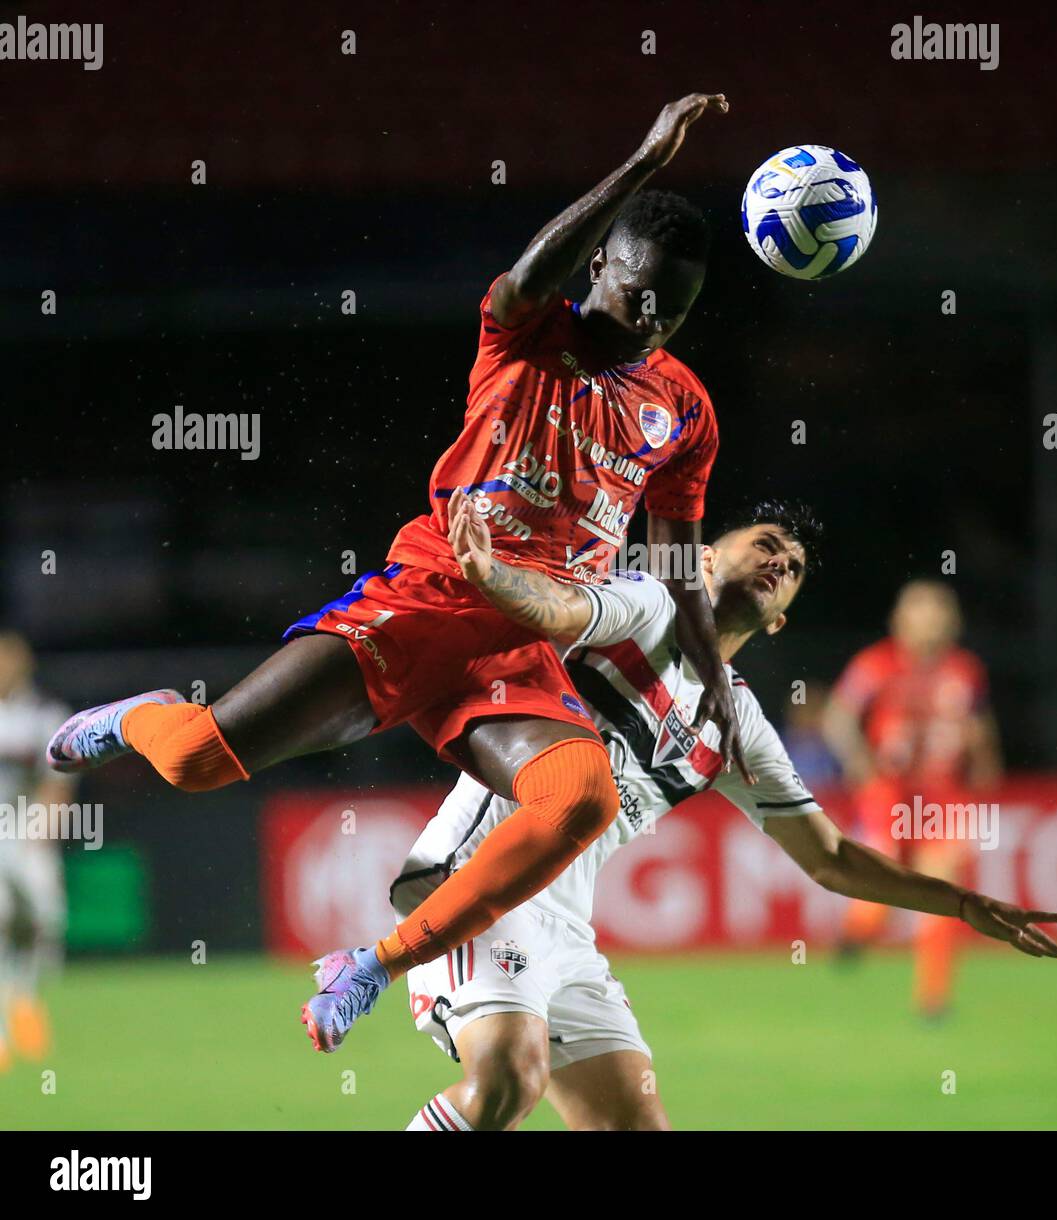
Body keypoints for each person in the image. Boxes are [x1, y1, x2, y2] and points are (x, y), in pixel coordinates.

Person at [46, 95, 746, 1051]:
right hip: (423, 603)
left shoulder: (685, 408)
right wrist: (642, 161)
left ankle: (371, 964)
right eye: (636, 297)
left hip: (520, 647)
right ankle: (138, 714)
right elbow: (532, 272)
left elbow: (672, 563)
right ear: (598, 272)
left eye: (676, 310)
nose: (651, 323)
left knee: (581, 794)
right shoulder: (526, 332)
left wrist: (710, 676)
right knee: (196, 761)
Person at [329, 497, 1057, 1129]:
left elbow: (829, 858)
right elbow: (565, 607)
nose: (781, 560)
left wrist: (961, 903)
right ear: (704, 560)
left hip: (565, 930)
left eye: (795, 567)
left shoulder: (736, 723)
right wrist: (494, 577)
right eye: (766, 544)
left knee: (633, 1122)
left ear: (779, 623)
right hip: (476, 887)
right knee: (506, 1084)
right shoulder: (645, 608)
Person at [822, 580, 1003, 1019]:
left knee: (943, 890)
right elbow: (838, 717)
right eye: (920, 610)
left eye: (938, 610)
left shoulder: (965, 670)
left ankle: (933, 1000)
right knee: (885, 889)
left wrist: (985, 763)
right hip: (889, 792)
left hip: (944, 796)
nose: (930, 619)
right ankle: (857, 931)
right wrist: (859, 763)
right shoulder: (876, 664)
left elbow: (978, 725)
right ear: (900, 619)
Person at [0, 633, 76, 1069]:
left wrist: (45, 825)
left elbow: (58, 779)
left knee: (45, 918)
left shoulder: (45, 715)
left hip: (26, 828)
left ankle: (23, 996)